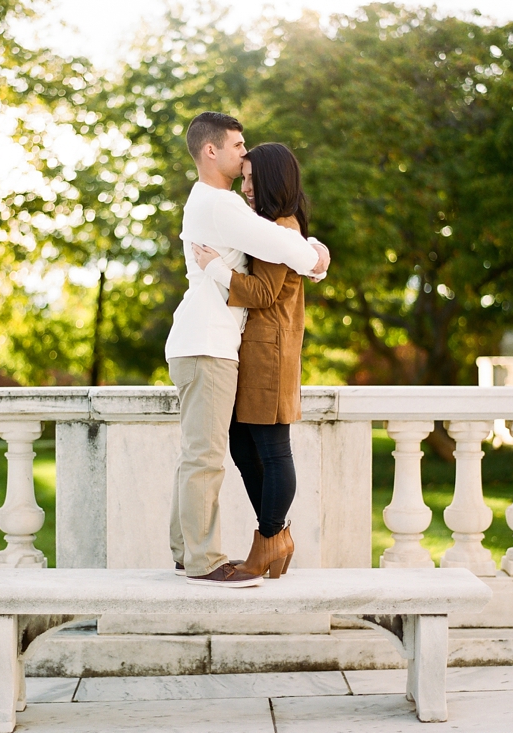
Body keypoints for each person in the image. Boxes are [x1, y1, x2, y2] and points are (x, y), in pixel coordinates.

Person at [166, 112, 330, 588]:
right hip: (208, 343)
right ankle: (202, 559)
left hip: (206, 342)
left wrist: (310, 245)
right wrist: (316, 254)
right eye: (238, 146)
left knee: (198, 454)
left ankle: (186, 550)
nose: (244, 155)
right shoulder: (222, 205)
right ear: (211, 150)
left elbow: (286, 240)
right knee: (205, 457)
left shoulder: (216, 203)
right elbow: (295, 253)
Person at [192, 143, 309, 579]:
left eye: (252, 178)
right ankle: (274, 541)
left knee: (274, 450)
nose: (246, 187)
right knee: (243, 445)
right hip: (256, 349)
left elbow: (263, 293)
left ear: (273, 179)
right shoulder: (272, 228)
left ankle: (270, 538)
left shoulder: (283, 227)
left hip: (271, 351)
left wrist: (215, 268)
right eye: (243, 178)